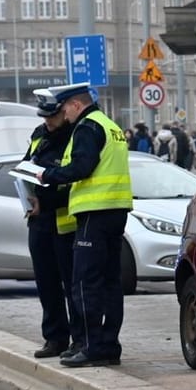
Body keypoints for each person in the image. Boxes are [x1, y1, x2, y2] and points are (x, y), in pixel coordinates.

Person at [40, 84, 132, 367]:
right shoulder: (111, 126)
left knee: (85, 282)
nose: (63, 113)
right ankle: (109, 346)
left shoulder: (87, 127)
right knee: (110, 282)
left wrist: (47, 175)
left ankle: (92, 347)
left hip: (94, 212)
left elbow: (82, 167)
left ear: (76, 104)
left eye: (64, 107)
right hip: (116, 211)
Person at [25, 90, 79, 359]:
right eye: (44, 116)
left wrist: (46, 199)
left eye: (52, 116)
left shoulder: (75, 135)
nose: (47, 121)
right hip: (38, 219)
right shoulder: (39, 134)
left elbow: (75, 179)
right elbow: (26, 164)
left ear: (63, 111)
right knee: (46, 283)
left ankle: (78, 340)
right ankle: (54, 338)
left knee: (71, 284)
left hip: (65, 220)